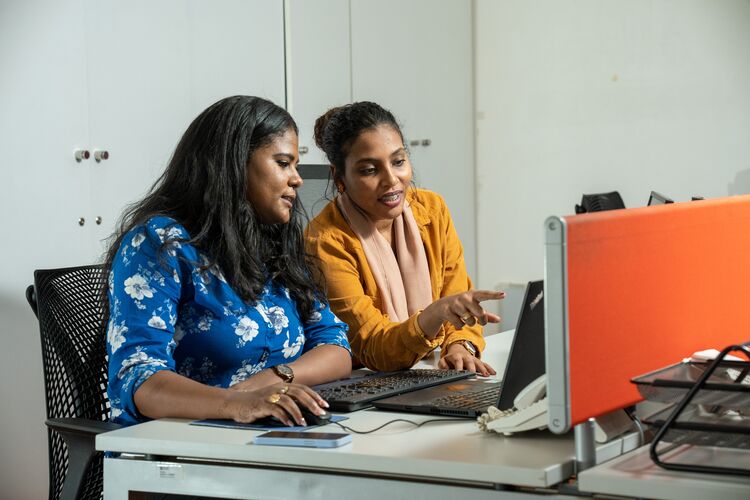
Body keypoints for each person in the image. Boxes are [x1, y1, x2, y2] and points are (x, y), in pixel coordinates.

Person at [104, 96, 352, 428]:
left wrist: (277, 377)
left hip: (269, 435)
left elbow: (334, 344)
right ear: (234, 164)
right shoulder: (159, 245)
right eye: (283, 163)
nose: (297, 179)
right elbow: (139, 377)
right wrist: (236, 403)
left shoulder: (273, 239)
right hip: (183, 444)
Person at [305, 101, 504, 376]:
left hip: (423, 373)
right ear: (340, 177)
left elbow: (458, 300)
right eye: (369, 170)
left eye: (398, 161)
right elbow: (373, 346)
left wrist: (460, 347)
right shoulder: (326, 241)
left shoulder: (433, 211)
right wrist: (433, 316)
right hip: (364, 382)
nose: (392, 180)